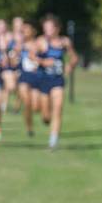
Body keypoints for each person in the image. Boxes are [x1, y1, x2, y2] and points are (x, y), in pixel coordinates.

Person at [36, 13, 78, 151]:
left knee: (58, 108)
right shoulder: (41, 42)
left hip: (58, 80)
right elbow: (31, 56)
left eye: (49, 27)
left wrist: (69, 67)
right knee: (46, 115)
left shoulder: (64, 42)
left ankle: (53, 141)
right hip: (44, 80)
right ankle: (46, 118)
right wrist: (43, 61)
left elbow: (74, 58)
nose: (47, 30)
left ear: (57, 28)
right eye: (45, 27)